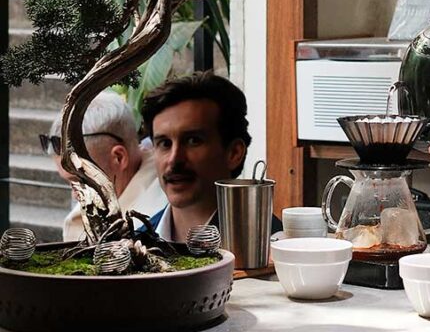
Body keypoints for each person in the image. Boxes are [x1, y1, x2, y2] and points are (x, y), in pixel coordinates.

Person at [139, 71, 280, 243]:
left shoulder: (271, 246)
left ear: (234, 153)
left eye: (193, 141)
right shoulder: (134, 244)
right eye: (165, 143)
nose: (174, 159)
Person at [45, 91, 166, 241]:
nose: (74, 195)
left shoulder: (163, 217)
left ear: (119, 157)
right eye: (70, 182)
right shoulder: (103, 198)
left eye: (81, 180)